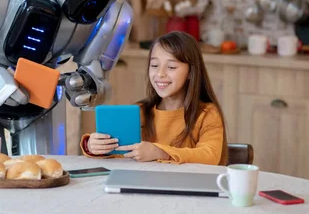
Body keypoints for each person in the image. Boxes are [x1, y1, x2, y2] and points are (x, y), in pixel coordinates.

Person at [80, 31, 228, 166]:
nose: (160, 74)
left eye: (171, 67)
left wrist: (160, 152)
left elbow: (210, 156)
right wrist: (93, 146)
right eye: (155, 65)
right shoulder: (140, 111)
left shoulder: (207, 114)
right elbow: (119, 153)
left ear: (191, 72)